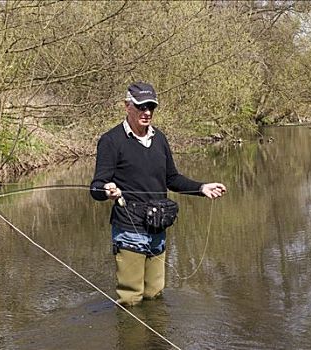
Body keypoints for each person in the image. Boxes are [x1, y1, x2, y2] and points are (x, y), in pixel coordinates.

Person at [90, 82, 226, 306]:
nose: (147, 112)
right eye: (141, 107)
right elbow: (96, 187)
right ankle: (131, 339)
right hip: (129, 228)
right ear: (127, 106)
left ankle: (155, 341)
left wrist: (202, 188)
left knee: (154, 294)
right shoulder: (111, 141)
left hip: (158, 225)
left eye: (151, 107)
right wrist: (106, 190)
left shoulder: (160, 139)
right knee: (130, 298)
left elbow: (172, 179)